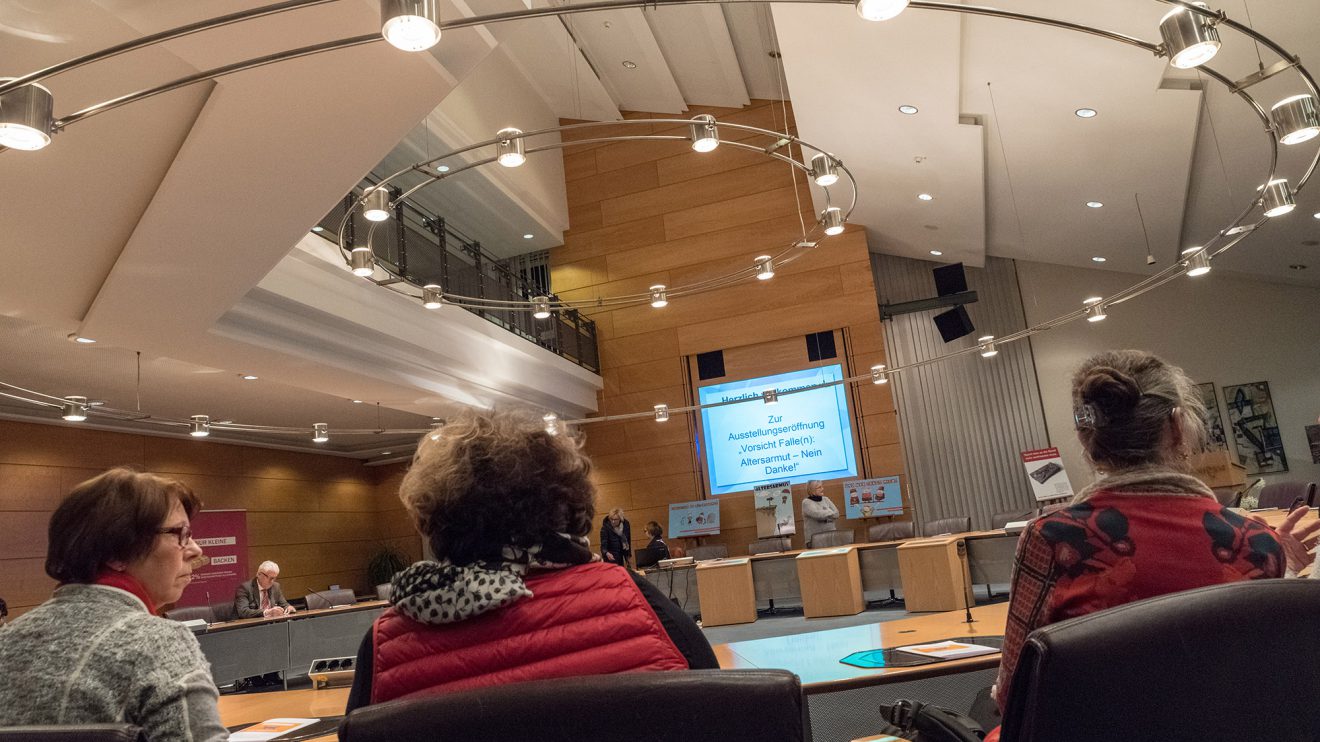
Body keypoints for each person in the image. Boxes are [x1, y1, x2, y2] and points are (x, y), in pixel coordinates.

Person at [987, 351, 1306, 736]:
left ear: (1087, 439)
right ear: (1176, 427)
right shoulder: (1256, 541)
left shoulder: (1053, 538)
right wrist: (1284, 566)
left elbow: (1012, 697)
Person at [344, 408, 717, 713]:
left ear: (433, 520)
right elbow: (720, 711)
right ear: (569, 506)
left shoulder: (383, 644)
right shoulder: (635, 599)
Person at [0, 467, 228, 742]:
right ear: (118, 553)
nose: (195, 549)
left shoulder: (6, 640)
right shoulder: (157, 641)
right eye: (180, 534)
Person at [801, 479, 840, 547]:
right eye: (819, 487)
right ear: (812, 489)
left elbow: (836, 514)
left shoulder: (826, 499)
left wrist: (825, 515)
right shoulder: (806, 502)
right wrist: (830, 513)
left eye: (822, 487)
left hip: (831, 536)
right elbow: (818, 515)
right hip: (815, 539)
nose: (822, 489)